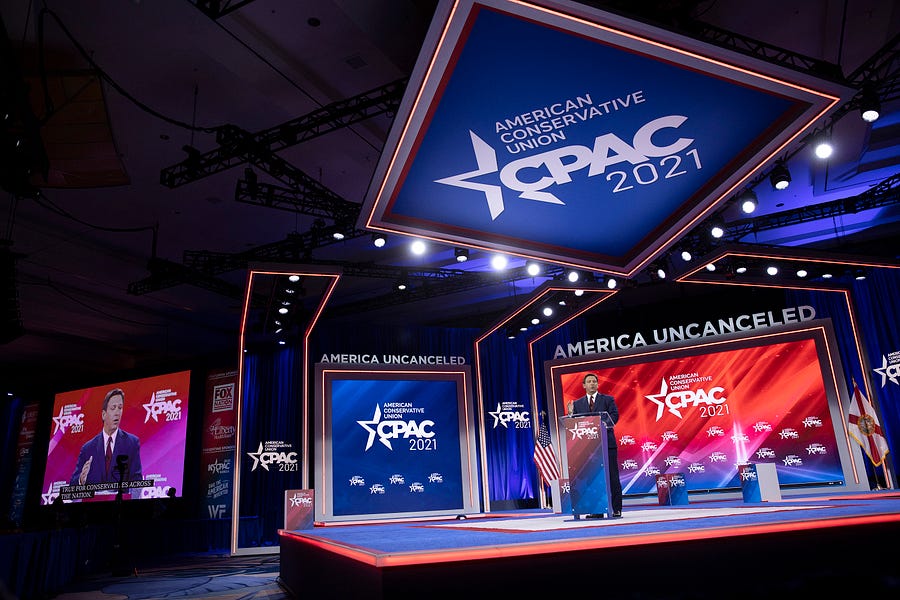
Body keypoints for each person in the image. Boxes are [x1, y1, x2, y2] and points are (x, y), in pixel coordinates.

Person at [571, 372, 622, 518]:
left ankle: (616, 508)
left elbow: (614, 416)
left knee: (612, 477)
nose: (592, 384)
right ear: (584, 385)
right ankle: (596, 510)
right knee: (592, 478)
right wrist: (570, 415)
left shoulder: (608, 399)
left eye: (594, 381)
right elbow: (575, 422)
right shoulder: (577, 403)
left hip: (607, 444)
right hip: (588, 448)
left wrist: (600, 425)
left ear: (597, 384)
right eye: (589, 382)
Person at [70, 387, 143, 489]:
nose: (117, 412)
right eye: (113, 408)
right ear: (103, 414)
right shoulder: (88, 448)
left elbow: (137, 481)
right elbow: (72, 485)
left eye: (120, 408)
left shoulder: (132, 443)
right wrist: (81, 480)